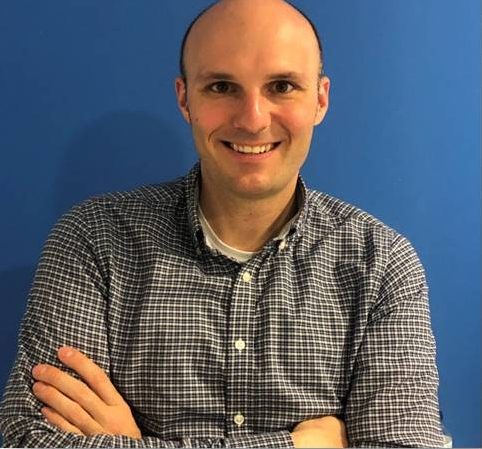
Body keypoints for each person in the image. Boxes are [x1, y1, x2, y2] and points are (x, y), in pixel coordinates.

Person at [0, 0, 444, 447]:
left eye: (282, 86)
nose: (252, 119)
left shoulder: (381, 263)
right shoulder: (95, 239)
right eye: (221, 87)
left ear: (320, 99)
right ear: (185, 99)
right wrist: (297, 445)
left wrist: (134, 443)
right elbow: (27, 440)